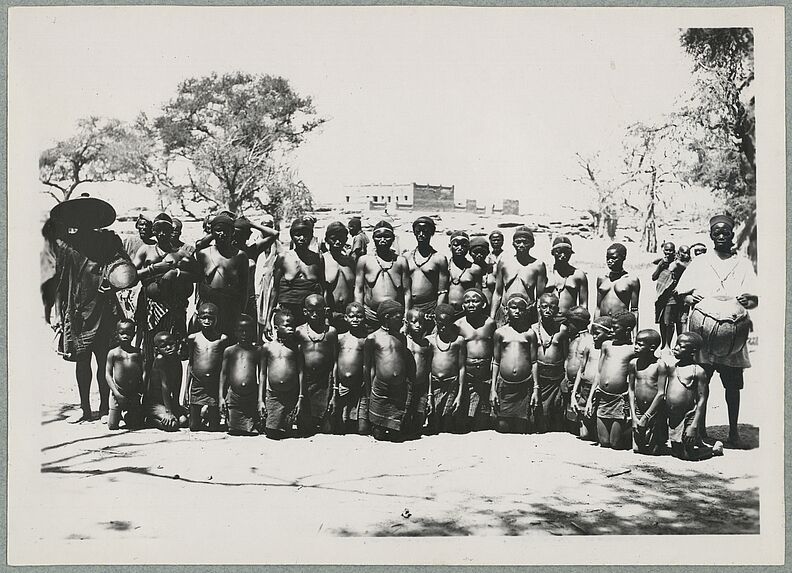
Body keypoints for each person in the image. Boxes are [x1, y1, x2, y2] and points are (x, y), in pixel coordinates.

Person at [41, 195, 133, 423]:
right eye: (80, 215)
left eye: (90, 215)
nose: (85, 220)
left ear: (97, 218)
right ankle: (85, 408)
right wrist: (58, 313)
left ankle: (103, 407)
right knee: (82, 361)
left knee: (104, 360)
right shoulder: (66, 245)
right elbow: (60, 282)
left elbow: (122, 268)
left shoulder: (109, 242)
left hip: (105, 308)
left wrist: (109, 280)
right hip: (78, 311)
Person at [675, 214, 758, 446]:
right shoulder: (700, 262)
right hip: (703, 332)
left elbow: (754, 299)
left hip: (733, 333)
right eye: (716, 232)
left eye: (726, 232)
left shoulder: (741, 263)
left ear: (732, 235)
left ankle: (734, 432)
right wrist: (691, 296)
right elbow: (681, 293)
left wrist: (748, 300)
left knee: (732, 385)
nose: (721, 236)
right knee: (702, 381)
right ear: (711, 235)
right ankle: (699, 430)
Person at [666, 332, 724, 460]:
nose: (675, 348)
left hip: (689, 416)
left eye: (680, 346)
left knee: (686, 455)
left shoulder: (698, 371)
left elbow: (702, 399)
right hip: (675, 416)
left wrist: (694, 425)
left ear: (693, 350)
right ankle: (697, 442)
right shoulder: (672, 368)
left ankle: (714, 450)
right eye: (676, 344)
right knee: (676, 452)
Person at [364, 300, 414, 441]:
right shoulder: (372, 338)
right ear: (387, 317)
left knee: (396, 434)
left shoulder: (401, 338)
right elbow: (367, 367)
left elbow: (403, 360)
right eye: (399, 317)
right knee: (378, 434)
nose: (403, 320)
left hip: (398, 389)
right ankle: (378, 426)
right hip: (381, 387)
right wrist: (368, 394)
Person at [267, 217, 327, 333]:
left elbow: (323, 288)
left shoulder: (317, 258)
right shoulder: (283, 258)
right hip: (287, 314)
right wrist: (268, 320)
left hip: (310, 314)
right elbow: (275, 289)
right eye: (298, 235)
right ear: (292, 236)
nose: (301, 239)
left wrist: (325, 316)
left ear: (311, 237)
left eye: (305, 235)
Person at [586, 312, 636, 449]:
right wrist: (590, 399)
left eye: (615, 328)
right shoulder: (607, 345)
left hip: (618, 399)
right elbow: (599, 372)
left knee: (615, 444)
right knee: (604, 442)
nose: (611, 331)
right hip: (602, 397)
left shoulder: (632, 350)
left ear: (627, 331)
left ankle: (632, 430)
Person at [196, 213, 249, 339]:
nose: (222, 234)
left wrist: (242, 311)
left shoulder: (240, 256)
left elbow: (244, 287)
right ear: (212, 232)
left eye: (226, 230)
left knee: (230, 340)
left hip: (231, 306)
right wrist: (198, 307)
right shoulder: (203, 254)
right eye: (218, 230)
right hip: (209, 306)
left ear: (232, 232)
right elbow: (199, 283)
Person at [490, 293, 535, 434]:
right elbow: (496, 362)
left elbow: (534, 362)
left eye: (521, 308)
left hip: (524, 384)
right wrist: (493, 389)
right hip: (505, 385)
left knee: (522, 428)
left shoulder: (529, 333)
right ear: (506, 310)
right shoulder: (500, 333)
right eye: (513, 307)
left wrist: (537, 389)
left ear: (526, 311)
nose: (517, 311)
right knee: (503, 427)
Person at [355, 221, 411, 332]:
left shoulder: (400, 261)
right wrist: (359, 314)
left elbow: (407, 292)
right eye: (378, 237)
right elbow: (358, 290)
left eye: (386, 236)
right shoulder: (364, 260)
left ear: (393, 238)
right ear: (373, 238)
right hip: (370, 316)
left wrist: (406, 319)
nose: (382, 240)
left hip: (395, 317)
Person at [296, 294, 338, 435]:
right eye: (311, 310)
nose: (314, 314)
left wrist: (335, 387)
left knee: (328, 429)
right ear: (304, 312)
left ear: (325, 311)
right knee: (305, 428)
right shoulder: (299, 331)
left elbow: (335, 360)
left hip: (324, 381)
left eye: (318, 310)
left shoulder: (331, 332)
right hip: (306, 380)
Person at [456, 288, 496, 432]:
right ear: (462, 306)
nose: (471, 304)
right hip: (467, 372)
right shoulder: (459, 325)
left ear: (483, 304)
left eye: (475, 301)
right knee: (464, 419)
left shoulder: (490, 323)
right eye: (467, 302)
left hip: (485, 372)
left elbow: (494, 346)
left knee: (482, 421)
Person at [260, 309, 303, 440]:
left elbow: (301, 372)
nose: (291, 328)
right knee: (272, 433)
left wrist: (300, 397)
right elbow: (262, 374)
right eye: (287, 325)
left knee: (287, 431)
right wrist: (260, 400)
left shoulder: (297, 347)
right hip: (273, 395)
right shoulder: (267, 347)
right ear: (277, 328)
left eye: (292, 325)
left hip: (291, 394)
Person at [529, 293, 569, 433]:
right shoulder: (532, 329)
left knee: (555, 409)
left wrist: (565, 376)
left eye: (551, 307)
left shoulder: (562, 330)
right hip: (538, 376)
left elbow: (566, 355)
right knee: (538, 411)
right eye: (544, 307)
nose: (547, 310)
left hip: (556, 377)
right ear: (538, 308)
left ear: (557, 310)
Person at [491, 226, 547, 326]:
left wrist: (540, 322)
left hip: (527, 314)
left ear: (532, 244)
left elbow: (540, 297)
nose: (521, 245)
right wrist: (492, 317)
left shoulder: (538, 265)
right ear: (513, 243)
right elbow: (498, 292)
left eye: (525, 242)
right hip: (505, 313)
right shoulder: (504, 263)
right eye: (518, 242)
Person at [185, 303, 228, 431]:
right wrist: (186, 391)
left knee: (214, 427)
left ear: (216, 319)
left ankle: (209, 414)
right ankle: (201, 415)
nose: (207, 321)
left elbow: (224, 367)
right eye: (203, 318)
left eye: (211, 318)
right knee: (193, 427)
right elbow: (190, 364)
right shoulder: (193, 338)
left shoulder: (222, 339)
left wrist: (222, 393)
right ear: (198, 319)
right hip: (197, 384)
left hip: (213, 385)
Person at [570, 316, 613, 441]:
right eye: (593, 333)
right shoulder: (590, 346)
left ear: (608, 333)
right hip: (586, 388)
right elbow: (581, 370)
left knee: (598, 432)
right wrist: (574, 394)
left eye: (597, 334)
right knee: (584, 435)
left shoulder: (609, 348)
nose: (594, 337)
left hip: (599, 390)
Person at [427, 303, 466, 434]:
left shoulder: (458, 341)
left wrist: (460, 394)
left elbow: (461, 367)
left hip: (451, 384)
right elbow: (427, 369)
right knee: (434, 425)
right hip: (435, 385)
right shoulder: (430, 341)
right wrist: (430, 394)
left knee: (447, 425)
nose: (443, 327)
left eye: (447, 323)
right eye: (440, 323)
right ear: (435, 321)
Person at [628, 329, 668, 455]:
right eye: (636, 343)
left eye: (640, 344)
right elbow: (631, 389)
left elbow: (661, 393)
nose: (636, 347)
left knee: (654, 451)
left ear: (652, 348)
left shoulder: (660, 365)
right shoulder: (633, 363)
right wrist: (634, 416)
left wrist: (647, 416)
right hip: (639, 410)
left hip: (655, 411)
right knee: (637, 449)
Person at [219, 315, 261, 436]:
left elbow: (261, 375)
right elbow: (224, 374)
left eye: (247, 331)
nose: (244, 334)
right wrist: (221, 397)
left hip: (250, 396)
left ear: (252, 332)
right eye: (241, 331)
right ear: (235, 332)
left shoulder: (257, 351)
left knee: (252, 431)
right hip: (234, 396)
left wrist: (260, 399)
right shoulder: (230, 351)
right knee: (233, 430)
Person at [331, 302, 368, 434]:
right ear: (346, 318)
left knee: (362, 429)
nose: (355, 320)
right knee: (339, 427)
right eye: (352, 316)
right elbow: (334, 361)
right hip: (342, 386)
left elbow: (366, 364)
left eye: (359, 317)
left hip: (359, 386)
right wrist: (335, 385)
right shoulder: (340, 338)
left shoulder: (365, 340)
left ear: (364, 318)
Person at [233, 216, 280, 319]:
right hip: (231, 299)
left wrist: (252, 224)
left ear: (247, 236)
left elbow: (275, 234)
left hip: (249, 299)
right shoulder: (226, 251)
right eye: (236, 235)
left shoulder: (252, 250)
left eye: (242, 235)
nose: (238, 239)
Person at [405, 216, 448, 325]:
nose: (421, 234)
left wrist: (437, 313)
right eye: (418, 231)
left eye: (425, 231)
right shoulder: (406, 257)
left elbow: (442, 291)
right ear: (414, 233)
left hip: (430, 307)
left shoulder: (439, 259)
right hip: (410, 306)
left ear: (432, 233)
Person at [104, 319, 144, 430]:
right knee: (112, 426)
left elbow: (144, 372)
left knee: (135, 424)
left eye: (129, 333)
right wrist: (116, 393)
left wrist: (141, 390)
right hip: (118, 392)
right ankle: (117, 413)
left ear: (134, 334)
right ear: (116, 334)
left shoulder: (138, 353)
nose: (125, 336)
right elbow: (107, 374)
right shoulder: (113, 353)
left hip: (134, 392)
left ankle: (129, 415)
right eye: (122, 333)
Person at [144, 331, 188, 431]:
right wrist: (169, 412)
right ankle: (151, 419)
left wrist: (176, 405)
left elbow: (178, 383)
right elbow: (165, 385)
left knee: (184, 421)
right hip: (155, 403)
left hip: (168, 401)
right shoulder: (160, 359)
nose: (168, 348)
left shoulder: (176, 358)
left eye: (171, 344)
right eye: (164, 346)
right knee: (172, 425)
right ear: (157, 349)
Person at [595, 243, 640, 340]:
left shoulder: (631, 280)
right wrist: (595, 328)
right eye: (607, 258)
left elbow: (634, 310)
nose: (610, 261)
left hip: (621, 326)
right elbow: (598, 307)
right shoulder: (601, 279)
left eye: (614, 258)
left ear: (623, 257)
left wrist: (635, 336)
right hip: (603, 325)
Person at [323, 222, 357, 332]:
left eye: (341, 238)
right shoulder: (322, 260)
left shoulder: (350, 262)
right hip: (329, 314)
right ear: (327, 239)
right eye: (334, 238)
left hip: (349, 315)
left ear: (346, 239)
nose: (338, 242)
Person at [562, 306, 592, 434]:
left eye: (569, 324)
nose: (567, 327)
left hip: (581, 385)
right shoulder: (571, 339)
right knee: (570, 421)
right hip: (569, 383)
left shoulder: (589, 340)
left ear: (578, 324)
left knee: (583, 431)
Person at [652, 241, 687, 349]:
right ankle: (663, 344)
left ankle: (667, 345)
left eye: (670, 250)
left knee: (669, 321)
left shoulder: (677, 263)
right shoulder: (662, 263)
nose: (668, 252)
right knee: (662, 321)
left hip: (673, 297)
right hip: (661, 296)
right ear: (663, 250)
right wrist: (661, 264)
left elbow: (685, 274)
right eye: (666, 250)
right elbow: (654, 277)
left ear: (674, 251)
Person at [404, 307, 432, 437]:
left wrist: (430, 393)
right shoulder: (403, 342)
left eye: (421, 322)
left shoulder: (426, 344)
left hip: (421, 385)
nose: (418, 325)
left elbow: (429, 369)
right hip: (406, 385)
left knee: (419, 418)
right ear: (407, 322)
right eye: (414, 322)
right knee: (404, 416)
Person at [547, 235, 588, 315]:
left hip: (569, 321)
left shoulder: (578, 275)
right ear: (553, 253)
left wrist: (581, 322)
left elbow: (583, 304)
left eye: (566, 252)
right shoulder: (546, 273)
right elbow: (539, 300)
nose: (563, 256)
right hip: (548, 320)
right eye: (559, 252)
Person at [469, 237, 496, 305]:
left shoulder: (493, 269)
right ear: (470, 253)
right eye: (475, 252)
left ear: (487, 253)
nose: (479, 255)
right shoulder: (467, 269)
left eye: (482, 252)